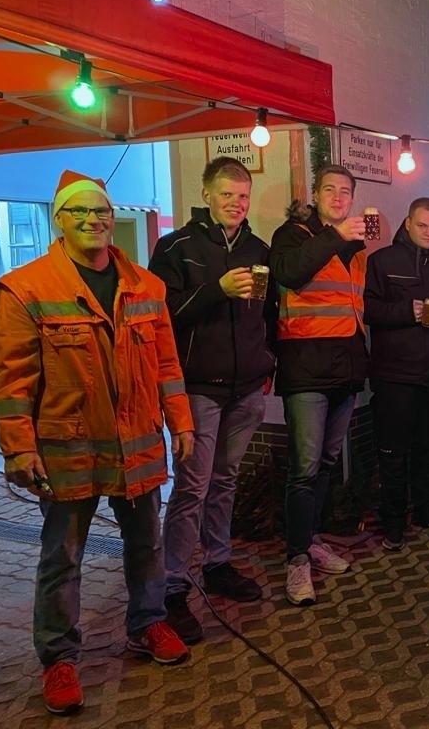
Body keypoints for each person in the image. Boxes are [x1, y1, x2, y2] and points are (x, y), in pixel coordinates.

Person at [0, 170, 196, 715]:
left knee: (146, 543)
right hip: (68, 450)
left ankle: (148, 624)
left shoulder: (146, 286)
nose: (92, 219)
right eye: (79, 211)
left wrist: (181, 422)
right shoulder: (26, 288)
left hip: (137, 442)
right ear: (59, 219)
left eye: (100, 210)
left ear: (112, 216)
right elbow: (11, 382)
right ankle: (58, 658)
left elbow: (167, 364)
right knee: (62, 556)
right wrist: (18, 448)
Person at [149, 157, 277, 644]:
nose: (236, 204)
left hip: (247, 387)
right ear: (206, 195)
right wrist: (216, 290)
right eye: (227, 194)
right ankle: (172, 585)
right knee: (192, 487)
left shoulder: (258, 248)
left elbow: (266, 314)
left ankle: (217, 563)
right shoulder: (176, 246)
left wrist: (268, 364)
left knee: (225, 481)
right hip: (199, 387)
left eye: (243, 196)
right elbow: (162, 313)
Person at [270, 164, 365, 606]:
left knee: (326, 463)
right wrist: (335, 236)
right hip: (306, 371)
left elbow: (352, 309)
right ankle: (296, 560)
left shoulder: (356, 248)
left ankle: (311, 540)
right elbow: (290, 273)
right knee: (304, 469)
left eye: (345, 191)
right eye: (330, 189)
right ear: (316, 194)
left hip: (346, 370)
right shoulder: (292, 235)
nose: (339, 197)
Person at [364, 197, 429, 551]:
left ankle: (428, 510)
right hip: (395, 375)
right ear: (408, 223)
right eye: (422, 225)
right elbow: (368, 310)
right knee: (393, 453)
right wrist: (405, 311)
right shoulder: (382, 261)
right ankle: (393, 522)